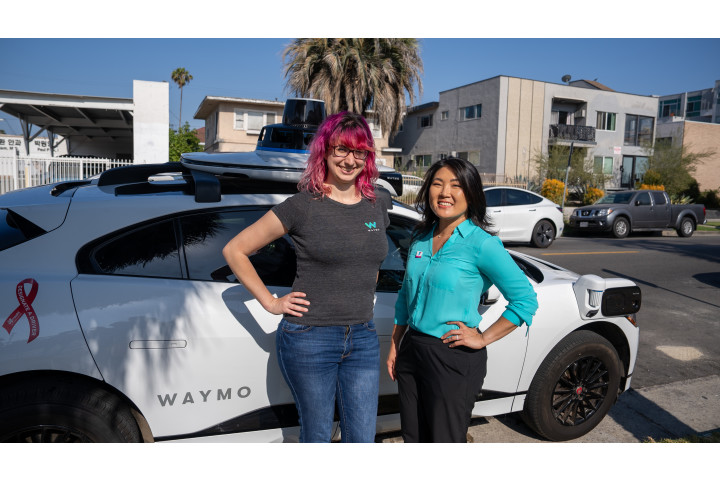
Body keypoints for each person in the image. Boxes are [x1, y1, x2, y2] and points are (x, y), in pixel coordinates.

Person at [223, 111, 390, 443]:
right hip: (311, 338)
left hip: (363, 336)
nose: (349, 159)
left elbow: (370, 262)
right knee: (316, 436)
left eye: (359, 151)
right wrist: (271, 302)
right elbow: (234, 250)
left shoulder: (377, 204)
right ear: (325, 151)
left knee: (362, 439)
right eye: (341, 149)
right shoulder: (302, 206)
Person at [386, 157, 538, 443]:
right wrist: (396, 342)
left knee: (444, 440)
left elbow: (525, 300)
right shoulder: (420, 237)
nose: (445, 193)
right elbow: (406, 293)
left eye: (456, 186)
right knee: (413, 437)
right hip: (412, 351)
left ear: (471, 193)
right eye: (437, 184)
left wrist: (482, 338)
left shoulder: (482, 244)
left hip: (452, 356)